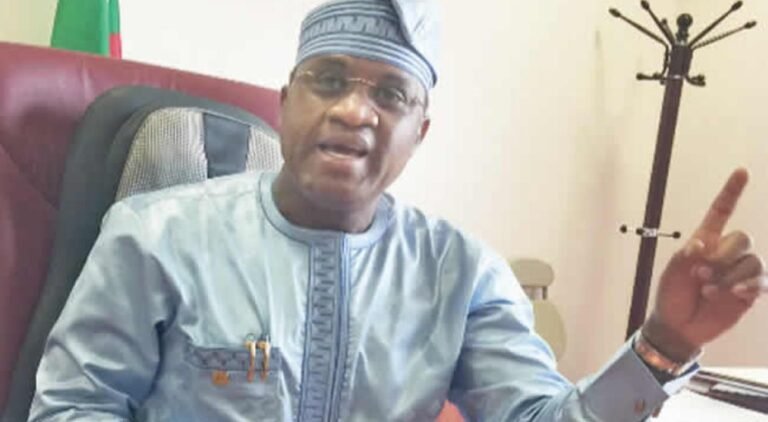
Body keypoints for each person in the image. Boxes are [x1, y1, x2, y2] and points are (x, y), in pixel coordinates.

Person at [29, 0, 766, 421]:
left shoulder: (461, 274)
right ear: (285, 105)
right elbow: (72, 409)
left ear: (421, 132)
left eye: (390, 95)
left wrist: (664, 342)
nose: (355, 111)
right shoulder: (155, 237)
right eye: (328, 81)